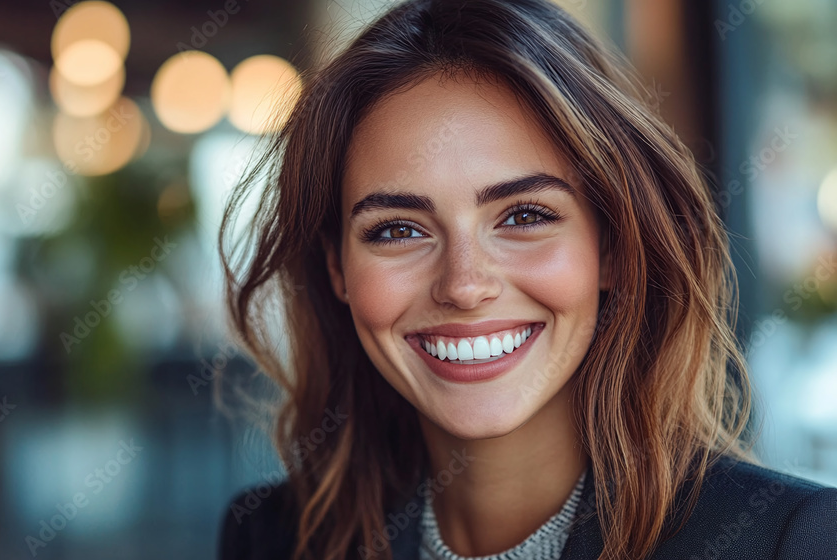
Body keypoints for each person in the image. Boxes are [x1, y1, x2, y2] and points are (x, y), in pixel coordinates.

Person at [215, 0, 837, 558]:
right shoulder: (270, 538)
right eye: (398, 229)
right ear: (337, 269)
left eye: (525, 216)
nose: (463, 284)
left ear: (614, 246)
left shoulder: (794, 541)